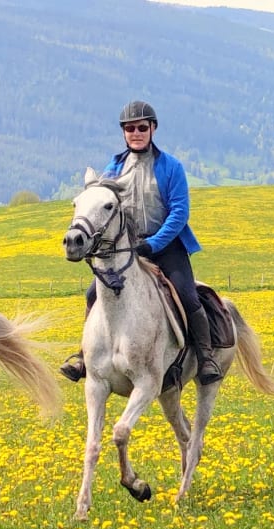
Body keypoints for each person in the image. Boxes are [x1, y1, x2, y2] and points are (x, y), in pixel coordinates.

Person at [59, 100, 223, 385]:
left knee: (186, 294)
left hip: (166, 246)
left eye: (142, 127)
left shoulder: (171, 166)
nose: (136, 132)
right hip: (126, 249)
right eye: (130, 128)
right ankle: (85, 356)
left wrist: (155, 243)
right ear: (124, 132)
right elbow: (102, 202)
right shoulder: (115, 166)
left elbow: (180, 212)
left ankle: (206, 356)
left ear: (153, 129)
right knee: (92, 294)